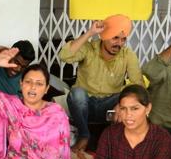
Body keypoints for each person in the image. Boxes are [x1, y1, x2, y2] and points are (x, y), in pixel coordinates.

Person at [59, 14, 143, 151]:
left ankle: (114, 141)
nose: (119, 43)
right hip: (86, 105)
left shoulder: (127, 55)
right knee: (77, 94)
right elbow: (64, 56)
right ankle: (84, 136)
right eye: (115, 38)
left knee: (128, 95)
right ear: (104, 36)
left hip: (109, 106)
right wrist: (90, 33)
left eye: (123, 39)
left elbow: (138, 85)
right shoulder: (89, 48)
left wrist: (122, 103)